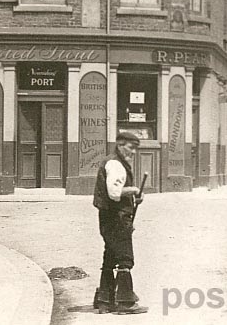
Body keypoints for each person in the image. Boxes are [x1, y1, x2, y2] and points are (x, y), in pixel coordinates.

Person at [93, 131, 147, 315]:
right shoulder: (116, 164)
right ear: (120, 145)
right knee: (124, 258)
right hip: (117, 218)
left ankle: (104, 301)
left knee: (110, 256)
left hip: (108, 217)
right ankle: (125, 303)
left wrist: (133, 199)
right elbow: (114, 193)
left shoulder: (111, 162)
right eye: (131, 148)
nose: (133, 152)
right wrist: (134, 190)